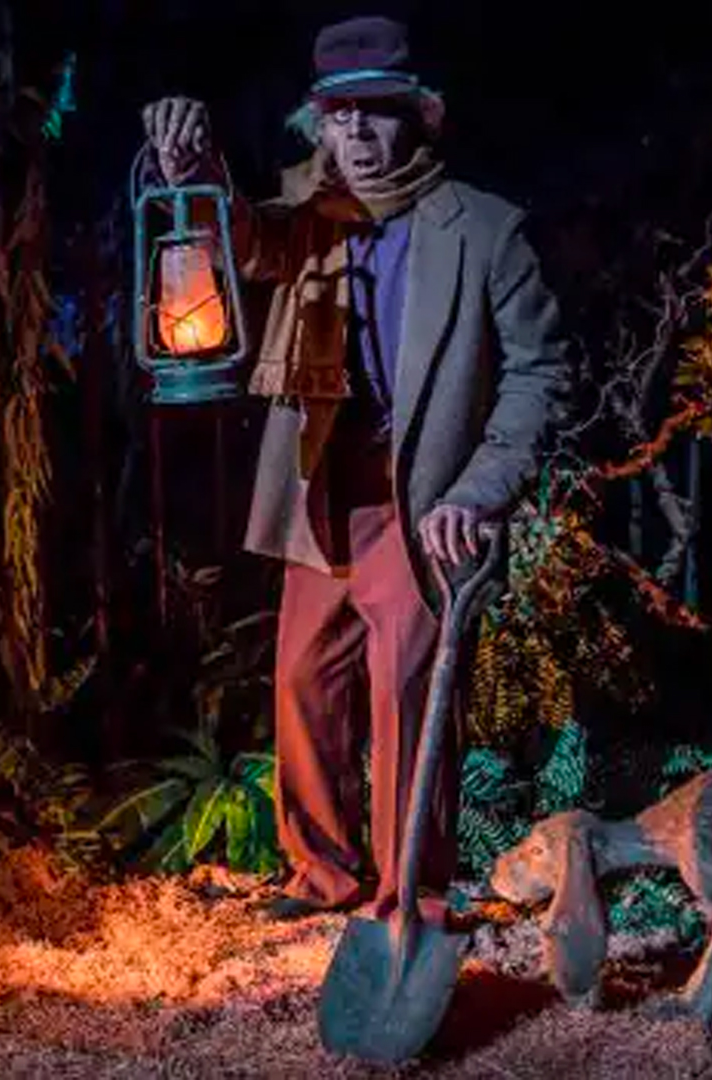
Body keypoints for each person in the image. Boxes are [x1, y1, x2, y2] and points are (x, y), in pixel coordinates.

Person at [143, 14, 568, 924]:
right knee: (301, 680)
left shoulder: (486, 231)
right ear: (319, 124)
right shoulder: (310, 213)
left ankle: (406, 891)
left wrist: (477, 491)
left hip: (419, 504)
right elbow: (245, 241)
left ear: (422, 117)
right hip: (319, 494)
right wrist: (194, 173)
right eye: (340, 117)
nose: (359, 139)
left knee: (408, 694)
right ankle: (321, 876)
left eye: (377, 115)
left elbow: (541, 375)